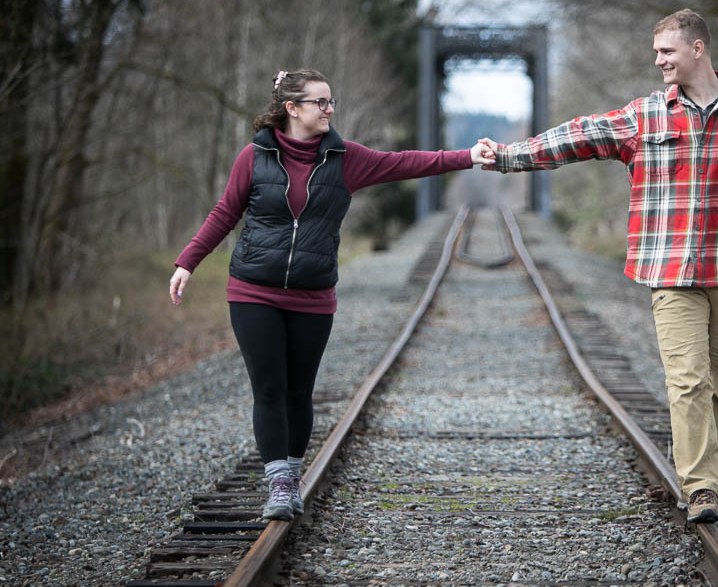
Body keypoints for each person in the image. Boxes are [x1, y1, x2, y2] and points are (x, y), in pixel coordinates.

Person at [479, 9, 718, 523]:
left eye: (667, 52)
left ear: (698, 49)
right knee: (687, 381)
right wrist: (512, 156)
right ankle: (701, 489)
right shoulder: (643, 115)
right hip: (669, 271)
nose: (659, 61)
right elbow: (577, 137)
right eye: (656, 53)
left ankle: (695, 459)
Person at [169, 69, 495, 520]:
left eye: (331, 101)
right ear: (293, 109)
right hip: (252, 290)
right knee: (269, 390)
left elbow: (407, 162)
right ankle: (280, 483)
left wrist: (467, 156)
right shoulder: (254, 156)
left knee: (299, 392)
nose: (329, 109)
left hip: (312, 295)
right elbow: (226, 211)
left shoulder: (345, 159)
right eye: (320, 102)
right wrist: (188, 261)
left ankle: (293, 471)